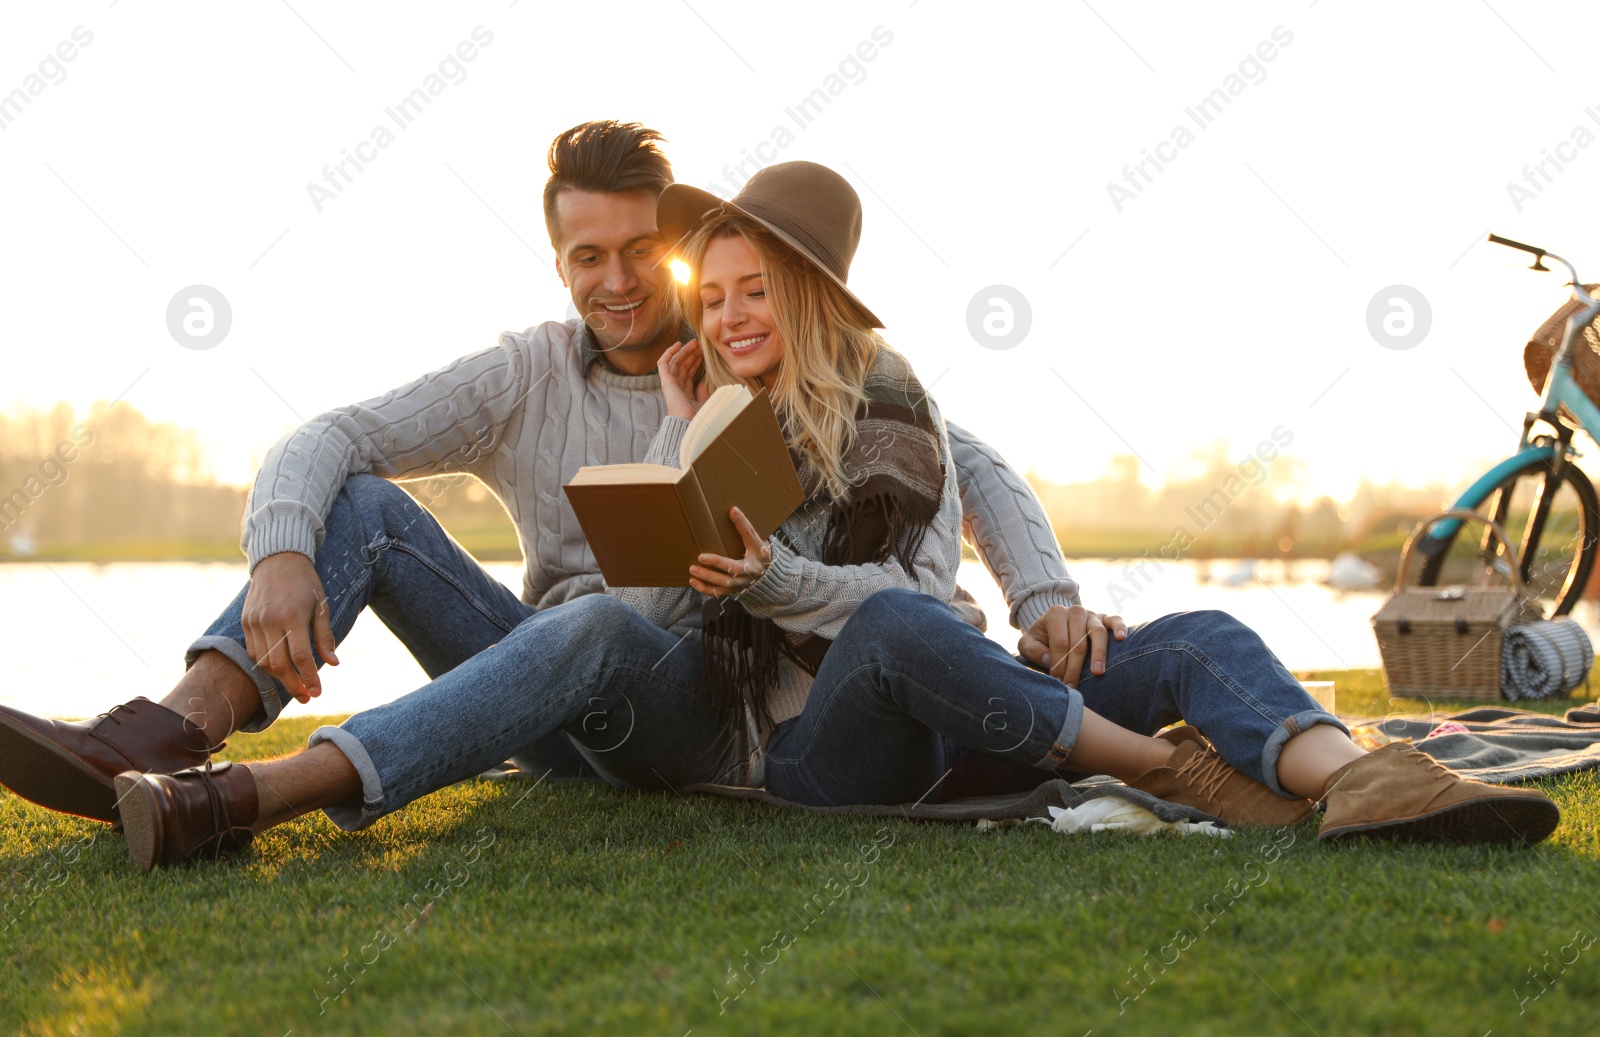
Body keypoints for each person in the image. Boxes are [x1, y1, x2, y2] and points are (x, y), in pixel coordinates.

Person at [0, 131, 1100, 857]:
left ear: (675, 254)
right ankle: (159, 735)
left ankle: (261, 794)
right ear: (559, 260)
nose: (615, 281)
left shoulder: (748, 355)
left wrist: (1042, 592)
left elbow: (971, 460)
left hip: (674, 686)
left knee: (605, 622)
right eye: (587, 256)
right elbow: (332, 431)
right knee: (367, 508)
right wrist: (281, 551)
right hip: (532, 672)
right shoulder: (524, 372)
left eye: (638, 252)